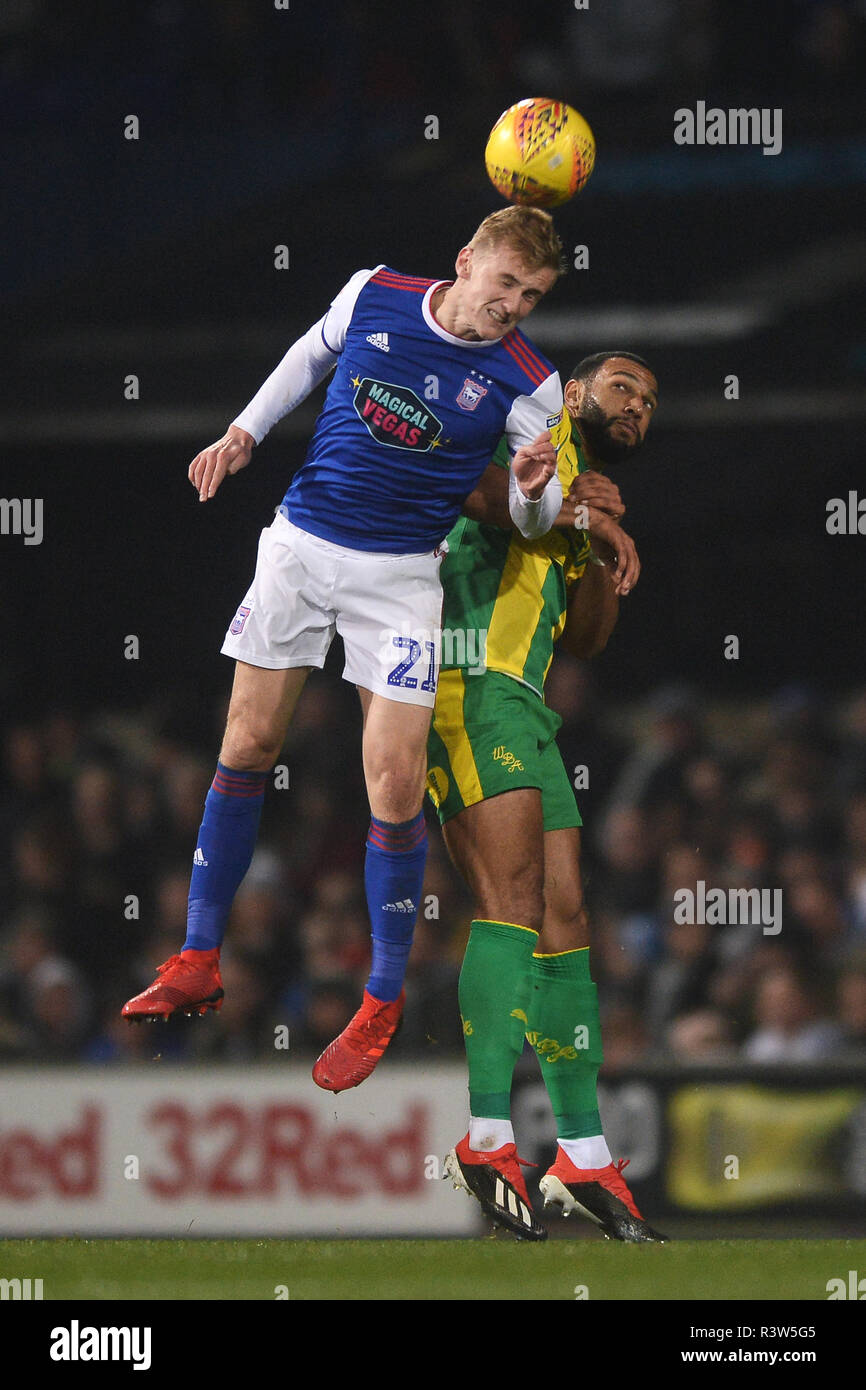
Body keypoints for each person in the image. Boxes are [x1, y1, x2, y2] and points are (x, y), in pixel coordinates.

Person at [122, 208, 570, 1098]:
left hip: (399, 580)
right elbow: (309, 355)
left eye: (532, 295)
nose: (514, 306)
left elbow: (534, 520)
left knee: (395, 786)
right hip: (300, 546)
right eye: (505, 283)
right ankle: (199, 957)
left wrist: (532, 493)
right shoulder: (375, 293)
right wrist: (244, 431)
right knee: (248, 744)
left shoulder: (532, 383)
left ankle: (379, 999)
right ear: (465, 262)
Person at [424, 352, 665, 1241]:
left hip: (525, 702)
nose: (636, 404)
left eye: (648, 400)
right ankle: (487, 1138)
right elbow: (464, 489)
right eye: (621, 386)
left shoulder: (586, 494)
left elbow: (589, 639)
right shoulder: (521, 433)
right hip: (465, 679)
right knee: (515, 903)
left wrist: (595, 540)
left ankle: (583, 1155)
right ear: (571, 393)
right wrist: (575, 508)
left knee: (565, 917)